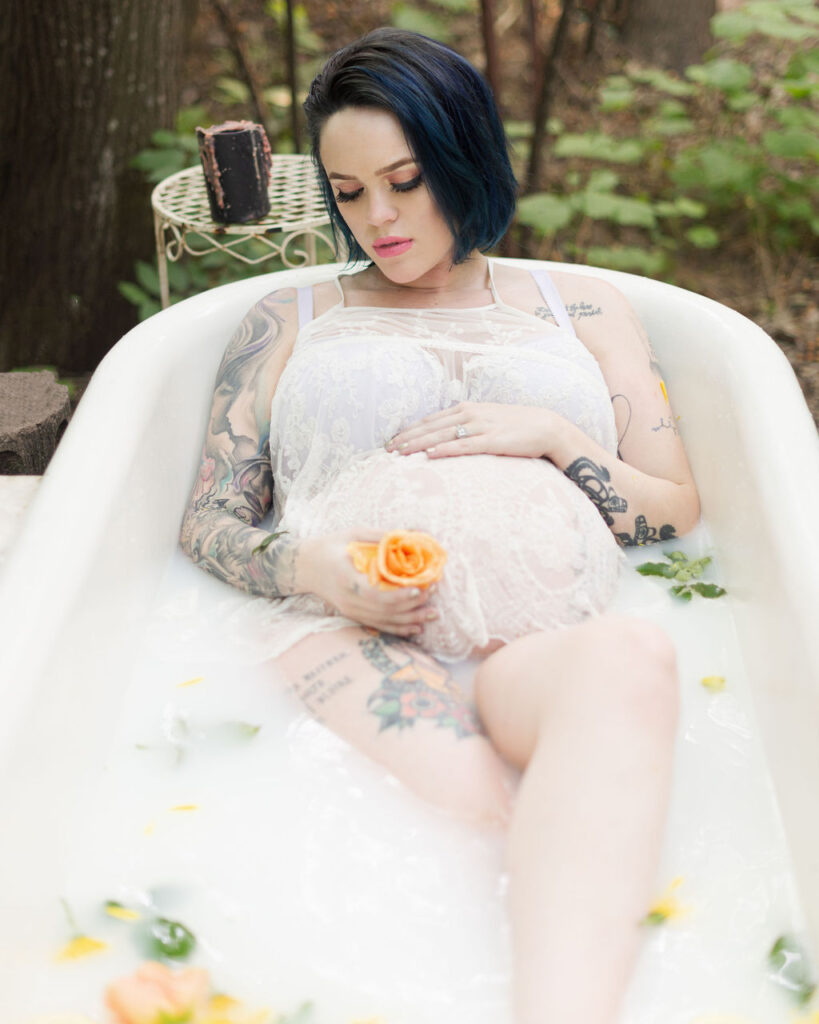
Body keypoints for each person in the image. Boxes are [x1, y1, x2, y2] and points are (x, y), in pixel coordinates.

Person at [180, 27, 700, 1024]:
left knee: (635, 658)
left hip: (538, 646)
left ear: (463, 156)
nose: (376, 218)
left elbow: (672, 511)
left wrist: (553, 435)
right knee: (480, 830)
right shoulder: (287, 319)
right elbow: (207, 518)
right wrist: (313, 564)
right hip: (350, 631)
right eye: (346, 192)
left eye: (405, 180)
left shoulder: (582, 308)